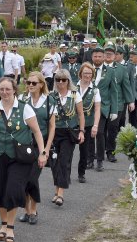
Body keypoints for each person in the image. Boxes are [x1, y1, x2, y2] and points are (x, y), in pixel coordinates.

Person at [0, 77, 46, 241]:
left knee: (12, 190)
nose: (4, 92)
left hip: (19, 158)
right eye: (1, 89)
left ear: (14, 90)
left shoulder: (25, 109)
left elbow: (37, 132)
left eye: (7, 89)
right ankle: (3, 225)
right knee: (0, 192)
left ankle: (10, 227)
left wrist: (43, 152)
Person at [17, 72, 56, 225]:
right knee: (23, 179)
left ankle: (33, 210)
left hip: (40, 145)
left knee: (32, 178)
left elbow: (52, 127)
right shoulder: (22, 99)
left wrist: (45, 150)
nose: (30, 85)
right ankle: (26, 211)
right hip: (24, 145)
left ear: (41, 84)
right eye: (28, 83)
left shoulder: (49, 101)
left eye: (34, 83)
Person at [51, 69, 85, 206]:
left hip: (69, 132)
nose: (60, 82)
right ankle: (56, 189)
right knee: (54, 162)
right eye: (58, 79)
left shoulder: (75, 95)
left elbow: (81, 114)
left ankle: (60, 194)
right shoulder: (51, 95)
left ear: (68, 81)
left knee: (64, 161)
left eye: (64, 80)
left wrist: (82, 131)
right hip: (54, 132)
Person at [103, 45, 134, 163]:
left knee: (112, 128)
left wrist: (130, 101)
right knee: (102, 129)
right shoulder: (99, 67)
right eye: (107, 53)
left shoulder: (122, 69)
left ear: (115, 55)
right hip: (103, 103)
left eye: (112, 53)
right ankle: (101, 149)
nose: (109, 55)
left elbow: (126, 85)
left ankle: (110, 151)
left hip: (118, 102)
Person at [91, 47, 118, 171]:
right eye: (95, 56)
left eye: (99, 56)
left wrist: (114, 110)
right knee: (87, 133)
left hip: (103, 107)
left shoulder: (111, 71)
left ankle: (100, 160)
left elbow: (114, 91)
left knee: (100, 132)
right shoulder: (86, 69)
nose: (97, 58)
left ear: (103, 58)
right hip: (87, 106)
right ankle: (88, 159)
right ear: (92, 57)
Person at [77, 63, 101, 182]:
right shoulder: (73, 88)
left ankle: (81, 173)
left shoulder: (95, 90)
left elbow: (97, 109)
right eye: (85, 73)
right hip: (73, 123)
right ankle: (64, 173)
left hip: (88, 122)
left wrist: (95, 125)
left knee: (84, 150)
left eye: (90, 73)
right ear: (80, 73)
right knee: (67, 150)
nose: (87, 75)